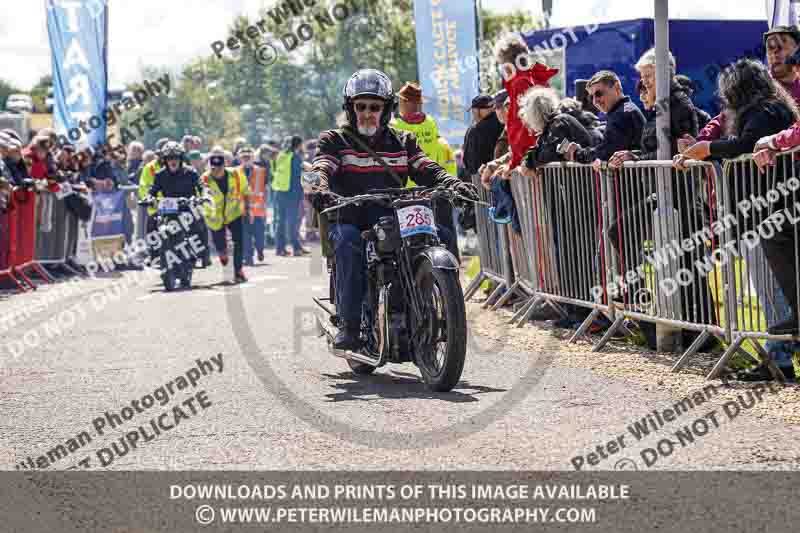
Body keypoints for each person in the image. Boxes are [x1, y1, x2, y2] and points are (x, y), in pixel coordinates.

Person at [304, 68, 478, 350]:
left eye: (374, 107)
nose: (367, 113)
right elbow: (321, 167)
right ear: (350, 109)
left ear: (386, 110)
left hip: (393, 215)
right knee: (348, 241)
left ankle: (444, 307)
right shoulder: (335, 140)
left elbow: (426, 167)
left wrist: (452, 183)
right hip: (352, 216)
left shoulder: (403, 141)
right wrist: (319, 189)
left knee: (443, 235)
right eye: (361, 106)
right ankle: (349, 326)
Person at [681, 58, 798, 361]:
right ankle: (779, 354)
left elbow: (747, 144)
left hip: (765, 210)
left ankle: (780, 357)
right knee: (771, 286)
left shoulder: (765, 111)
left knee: (771, 287)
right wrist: (706, 150)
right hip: (762, 209)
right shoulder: (769, 108)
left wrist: (708, 149)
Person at [493, 32, 559, 173]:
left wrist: (516, 163)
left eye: (502, 64)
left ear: (508, 64)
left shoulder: (520, 83)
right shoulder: (531, 79)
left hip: (532, 166)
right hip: (535, 161)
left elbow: (524, 130)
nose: (502, 69)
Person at [564, 70, 646, 171]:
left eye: (599, 94)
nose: (595, 101)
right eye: (591, 97)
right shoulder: (625, 109)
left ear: (616, 88)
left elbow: (606, 152)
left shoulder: (622, 113)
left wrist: (577, 153)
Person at [147, 142, 205, 278]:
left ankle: (202, 253)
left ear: (181, 158)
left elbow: (201, 186)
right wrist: (149, 198)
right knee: (152, 222)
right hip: (168, 210)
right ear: (165, 160)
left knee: (199, 223)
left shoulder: (191, 172)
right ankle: (154, 256)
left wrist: (203, 196)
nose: (172, 161)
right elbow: (152, 191)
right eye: (169, 158)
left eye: (175, 157)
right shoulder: (160, 175)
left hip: (187, 208)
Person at [201, 147, 252, 283]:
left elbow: (246, 191)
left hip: (233, 213)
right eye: (213, 167)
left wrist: (248, 209)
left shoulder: (236, 174)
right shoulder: (204, 179)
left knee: (238, 242)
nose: (216, 170)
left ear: (225, 165)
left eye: (219, 167)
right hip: (215, 218)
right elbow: (199, 197)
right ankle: (222, 253)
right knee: (220, 246)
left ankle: (238, 271)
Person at [271, 135, 309, 257]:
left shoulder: (281, 155)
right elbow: (299, 176)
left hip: (279, 191)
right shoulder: (295, 157)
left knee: (280, 221)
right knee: (292, 221)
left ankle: (280, 248)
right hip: (292, 193)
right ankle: (296, 248)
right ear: (299, 145)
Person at [238, 146, 268, 265]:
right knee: (245, 235)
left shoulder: (261, 171)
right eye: (244, 157)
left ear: (253, 158)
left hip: (257, 210)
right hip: (242, 210)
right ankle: (248, 257)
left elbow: (265, 189)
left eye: (248, 157)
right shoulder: (235, 172)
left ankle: (260, 250)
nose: (246, 159)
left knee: (259, 235)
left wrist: (265, 205)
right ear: (240, 158)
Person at [461, 94, 504, 177]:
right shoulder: (503, 122)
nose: (473, 114)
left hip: (484, 175)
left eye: (474, 110)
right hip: (497, 172)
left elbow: (472, 162)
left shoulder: (476, 129)